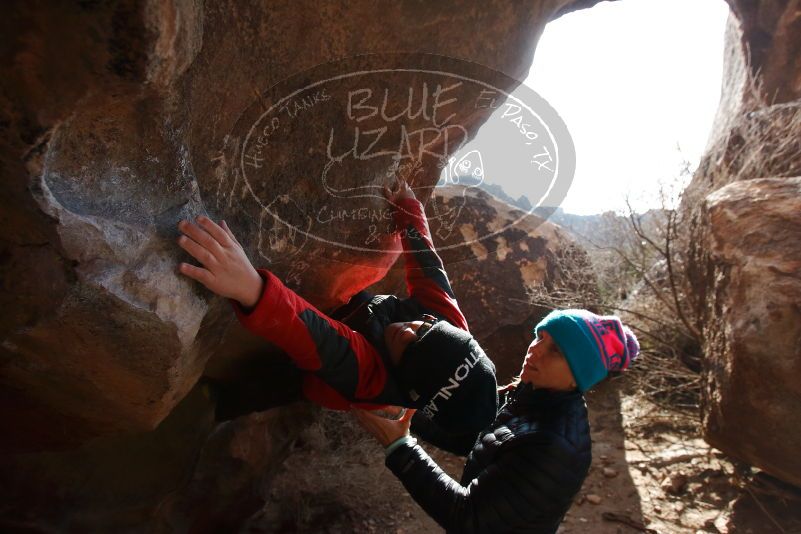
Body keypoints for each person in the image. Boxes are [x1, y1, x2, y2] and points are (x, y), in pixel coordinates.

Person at [176, 179, 497, 439]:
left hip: (326, 381)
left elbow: (314, 336)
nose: (409, 330)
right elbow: (428, 263)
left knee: (276, 382)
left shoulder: (371, 378)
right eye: (425, 328)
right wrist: (409, 210)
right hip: (365, 317)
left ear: (408, 383)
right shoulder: (449, 324)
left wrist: (249, 286)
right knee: (356, 302)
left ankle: (217, 408)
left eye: (410, 349)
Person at [354, 309, 641, 534]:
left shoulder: (553, 446)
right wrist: (405, 413)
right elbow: (476, 438)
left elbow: (467, 516)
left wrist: (401, 446)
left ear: (578, 376)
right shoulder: (531, 397)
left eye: (556, 350)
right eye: (540, 337)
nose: (535, 350)